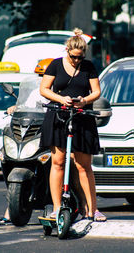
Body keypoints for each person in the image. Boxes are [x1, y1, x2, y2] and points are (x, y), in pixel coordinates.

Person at [39, 28, 106, 222]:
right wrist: (61, 99)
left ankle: (92, 210)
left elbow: (96, 92)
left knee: (84, 166)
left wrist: (84, 101)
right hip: (59, 117)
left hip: (82, 117)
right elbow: (44, 89)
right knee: (58, 163)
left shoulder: (88, 66)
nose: (77, 60)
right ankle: (57, 208)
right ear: (67, 51)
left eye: (80, 57)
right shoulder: (55, 65)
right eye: (74, 57)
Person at [0, 58, 54, 225]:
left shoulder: (58, 90)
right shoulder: (35, 90)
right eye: (40, 74)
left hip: (49, 130)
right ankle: (10, 210)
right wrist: (15, 108)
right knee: (7, 157)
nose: (42, 78)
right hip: (32, 128)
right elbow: (26, 106)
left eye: (45, 74)